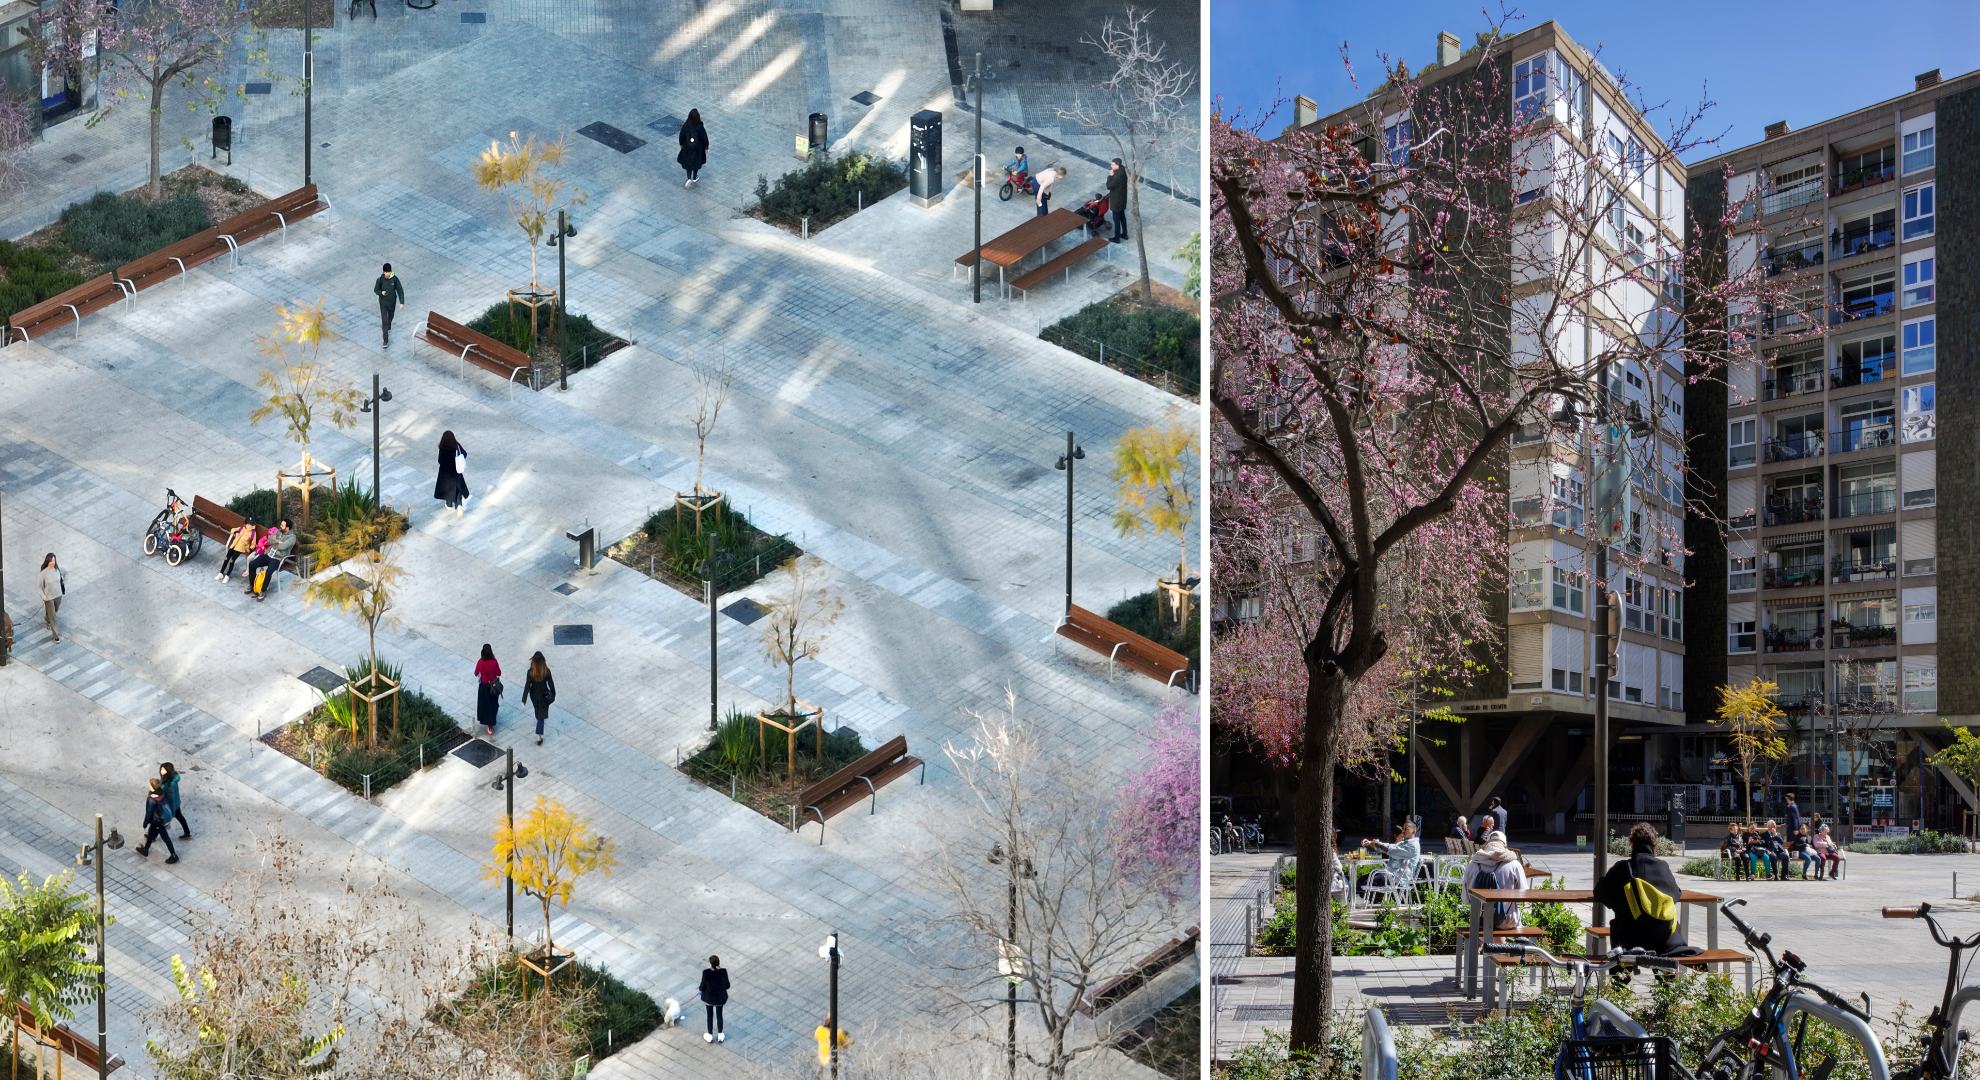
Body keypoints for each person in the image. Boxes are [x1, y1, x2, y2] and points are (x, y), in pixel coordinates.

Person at [1594, 822, 1689, 960]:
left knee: (1619, 924)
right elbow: (1676, 895)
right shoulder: (1663, 867)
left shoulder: (1623, 868)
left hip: (1628, 942)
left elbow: (1600, 893)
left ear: (1632, 843)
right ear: (1655, 844)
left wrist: (1622, 904)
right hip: (1664, 943)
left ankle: (1620, 979)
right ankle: (1666, 979)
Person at [1467, 830, 1524, 930]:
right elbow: (1523, 896)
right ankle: (1499, 945)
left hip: (1478, 920)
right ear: (1505, 845)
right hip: (1507, 921)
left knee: (1484, 927)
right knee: (1507, 918)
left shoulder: (1472, 864)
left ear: (1487, 844)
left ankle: (1482, 944)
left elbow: (1466, 898)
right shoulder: (1514, 864)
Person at [1356, 821, 1420, 899]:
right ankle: (1353, 902)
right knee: (1361, 880)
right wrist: (1372, 843)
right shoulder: (1404, 843)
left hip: (1398, 879)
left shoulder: (1412, 845)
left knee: (1367, 882)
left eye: (1406, 829)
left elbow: (1393, 851)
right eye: (1403, 828)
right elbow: (1390, 846)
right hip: (1391, 875)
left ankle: (1377, 900)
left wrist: (1377, 844)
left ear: (1414, 831)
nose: (1403, 831)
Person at [246, 520, 295, 601]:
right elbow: (269, 540)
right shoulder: (279, 531)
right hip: (268, 555)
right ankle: (252, 585)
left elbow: (283, 547)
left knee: (268, 572)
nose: (280, 526)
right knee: (252, 564)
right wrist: (278, 541)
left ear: (287, 528)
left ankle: (263, 591)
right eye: (281, 525)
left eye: (282, 525)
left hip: (277, 558)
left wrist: (275, 542)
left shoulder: (292, 537)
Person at [136, 778, 179, 863]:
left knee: (165, 838)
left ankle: (173, 855)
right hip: (161, 819)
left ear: (152, 786)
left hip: (157, 821)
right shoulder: (160, 791)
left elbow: (149, 812)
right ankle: (146, 849)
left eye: (149, 784)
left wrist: (145, 822)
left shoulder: (152, 799)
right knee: (151, 832)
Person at [522, 651, 556, 746]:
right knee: (541, 716)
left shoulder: (530, 672)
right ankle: (538, 735)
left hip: (533, 696)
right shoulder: (546, 671)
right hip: (544, 696)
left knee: (538, 712)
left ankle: (538, 721)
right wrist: (553, 694)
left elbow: (527, 686)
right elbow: (551, 685)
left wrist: (524, 699)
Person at [434, 431, 470, 515]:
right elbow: (464, 453)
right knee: (458, 489)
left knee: (448, 490)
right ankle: (459, 506)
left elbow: (440, 460)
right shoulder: (456, 445)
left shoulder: (442, 448)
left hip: (446, 474)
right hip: (456, 472)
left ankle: (449, 505)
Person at [373, 263, 405, 348]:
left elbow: (400, 290)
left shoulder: (395, 279)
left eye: (389, 272)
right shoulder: (380, 280)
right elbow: (375, 290)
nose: (388, 274)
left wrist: (401, 302)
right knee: (385, 321)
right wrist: (381, 292)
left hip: (392, 303)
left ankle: (389, 325)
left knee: (391, 316)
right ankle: (385, 340)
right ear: (384, 272)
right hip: (383, 304)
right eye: (386, 272)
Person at [699, 955, 729, 1043]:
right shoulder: (723, 971)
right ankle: (720, 1035)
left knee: (710, 1015)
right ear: (718, 963)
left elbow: (702, 987)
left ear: (710, 964)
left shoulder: (706, 973)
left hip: (709, 999)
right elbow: (727, 985)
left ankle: (710, 1035)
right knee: (719, 1015)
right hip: (720, 998)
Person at [474, 644, 502, 737]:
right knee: (493, 704)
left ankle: (484, 720)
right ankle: (491, 724)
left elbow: (476, 673)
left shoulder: (480, 662)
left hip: (483, 686)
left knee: (484, 705)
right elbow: (499, 673)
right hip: (493, 687)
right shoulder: (494, 662)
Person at [158, 762, 191, 840]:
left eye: (163, 770)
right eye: (161, 769)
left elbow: (170, 798)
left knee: (159, 823)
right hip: (176, 804)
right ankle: (187, 832)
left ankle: (152, 837)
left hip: (170, 806)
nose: (161, 771)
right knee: (180, 817)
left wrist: (171, 812)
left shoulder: (168, 785)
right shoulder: (172, 778)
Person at [678, 109, 708, 188]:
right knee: (696, 163)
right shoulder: (700, 126)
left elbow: (681, 136)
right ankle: (694, 177)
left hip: (687, 148)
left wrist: (681, 145)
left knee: (688, 164)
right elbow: (704, 137)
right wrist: (706, 147)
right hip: (698, 149)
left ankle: (688, 178)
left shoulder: (686, 125)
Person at [38, 553, 63, 641]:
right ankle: (56, 636)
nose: (52, 562)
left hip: (58, 595)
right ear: (47, 561)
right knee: (53, 617)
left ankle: (47, 618)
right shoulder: (43, 573)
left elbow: (65, 575)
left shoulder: (58, 569)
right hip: (49, 598)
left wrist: (64, 583)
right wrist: (43, 596)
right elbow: (39, 587)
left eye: (53, 560)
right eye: (50, 561)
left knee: (54, 611)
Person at [1104, 158, 1129, 242]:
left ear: (1117, 165)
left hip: (1116, 201)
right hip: (1122, 199)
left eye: (1112, 164)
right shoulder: (1123, 170)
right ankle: (1125, 234)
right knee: (1122, 217)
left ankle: (1117, 237)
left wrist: (1110, 176)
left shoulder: (1117, 176)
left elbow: (1109, 186)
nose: (1111, 166)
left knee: (1116, 219)